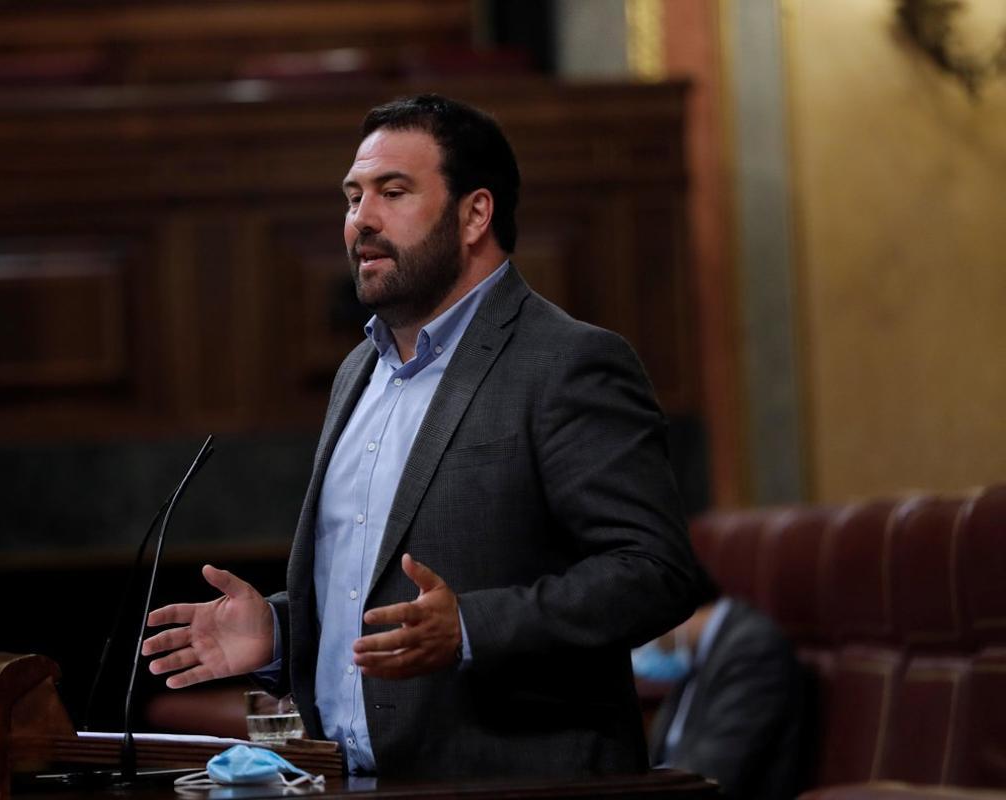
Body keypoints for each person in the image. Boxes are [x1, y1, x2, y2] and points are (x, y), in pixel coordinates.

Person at [141, 94, 707, 779]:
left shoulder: (567, 363)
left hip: (520, 784)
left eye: (393, 192)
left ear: (475, 214)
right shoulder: (359, 370)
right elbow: (368, 594)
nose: (361, 221)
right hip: (353, 781)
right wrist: (284, 631)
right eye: (352, 198)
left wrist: (470, 629)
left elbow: (656, 573)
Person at [638, 593, 804, 800]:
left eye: (638, 634)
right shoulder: (695, 654)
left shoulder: (752, 647)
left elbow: (715, 772)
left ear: (669, 613)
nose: (639, 646)